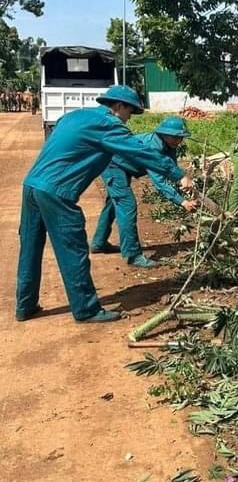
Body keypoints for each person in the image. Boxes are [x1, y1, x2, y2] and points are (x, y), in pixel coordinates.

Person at [15, 85, 193, 324]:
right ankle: (86, 310)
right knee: (73, 250)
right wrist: (179, 174)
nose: (130, 118)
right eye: (131, 112)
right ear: (118, 106)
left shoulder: (75, 116)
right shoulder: (109, 125)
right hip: (57, 192)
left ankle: (25, 305)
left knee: (30, 246)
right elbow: (141, 152)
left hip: (32, 185)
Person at [91, 115, 197, 268]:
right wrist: (182, 202)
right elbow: (160, 182)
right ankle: (133, 255)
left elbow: (170, 169)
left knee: (114, 203)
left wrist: (185, 186)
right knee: (127, 205)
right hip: (112, 164)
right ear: (164, 134)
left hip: (124, 166)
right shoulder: (151, 148)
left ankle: (99, 243)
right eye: (175, 137)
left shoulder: (170, 147)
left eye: (180, 137)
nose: (178, 141)